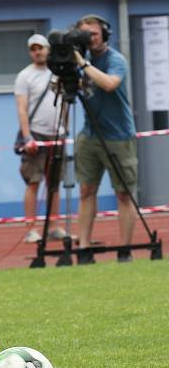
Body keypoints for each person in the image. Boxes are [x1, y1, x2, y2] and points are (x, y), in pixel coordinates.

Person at [72, 15, 138, 264]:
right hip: (89, 135)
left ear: (105, 35)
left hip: (118, 136)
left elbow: (110, 84)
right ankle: (84, 248)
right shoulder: (82, 61)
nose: (90, 39)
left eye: (94, 34)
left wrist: (83, 65)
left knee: (123, 194)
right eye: (85, 35)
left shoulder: (116, 60)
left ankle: (125, 249)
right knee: (86, 190)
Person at [14, 34, 67, 243]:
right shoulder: (24, 76)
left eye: (41, 48)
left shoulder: (58, 73)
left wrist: (64, 129)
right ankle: (31, 228)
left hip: (58, 134)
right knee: (33, 182)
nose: (37, 52)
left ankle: (54, 226)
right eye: (33, 49)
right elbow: (22, 108)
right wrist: (27, 137)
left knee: (54, 183)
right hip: (35, 134)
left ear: (48, 49)